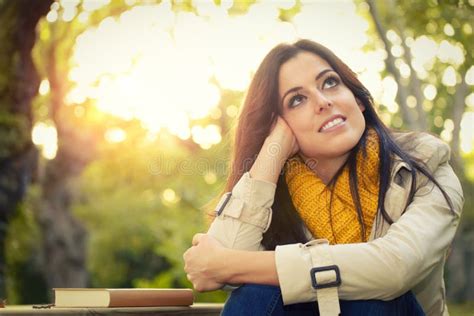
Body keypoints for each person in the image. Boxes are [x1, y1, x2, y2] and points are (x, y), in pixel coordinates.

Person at [182, 39, 464, 316]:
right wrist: (272, 150)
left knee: (376, 299)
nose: (323, 101)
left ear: (357, 98)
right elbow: (216, 264)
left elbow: (396, 268)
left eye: (329, 82)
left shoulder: (426, 165)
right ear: (280, 123)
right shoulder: (278, 187)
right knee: (256, 292)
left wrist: (232, 265)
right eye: (297, 100)